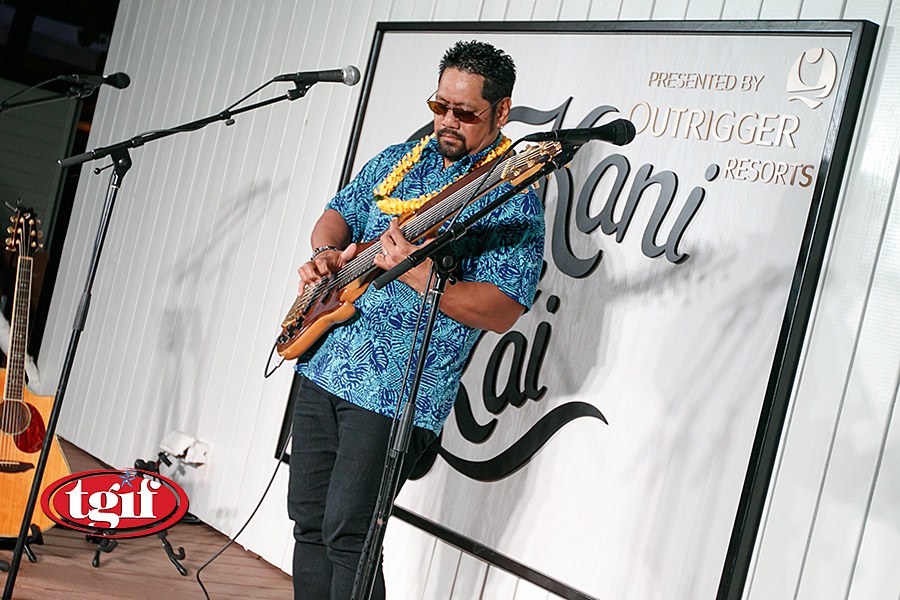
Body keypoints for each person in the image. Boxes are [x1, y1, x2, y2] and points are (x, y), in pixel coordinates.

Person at [287, 40, 544, 600]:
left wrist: (418, 274)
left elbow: (504, 308)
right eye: (439, 106)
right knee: (307, 521)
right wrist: (329, 255)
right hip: (322, 360)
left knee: (348, 534)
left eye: (465, 113)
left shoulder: (510, 193)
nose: (447, 122)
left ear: (501, 112)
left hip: (395, 393)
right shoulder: (400, 159)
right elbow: (336, 215)